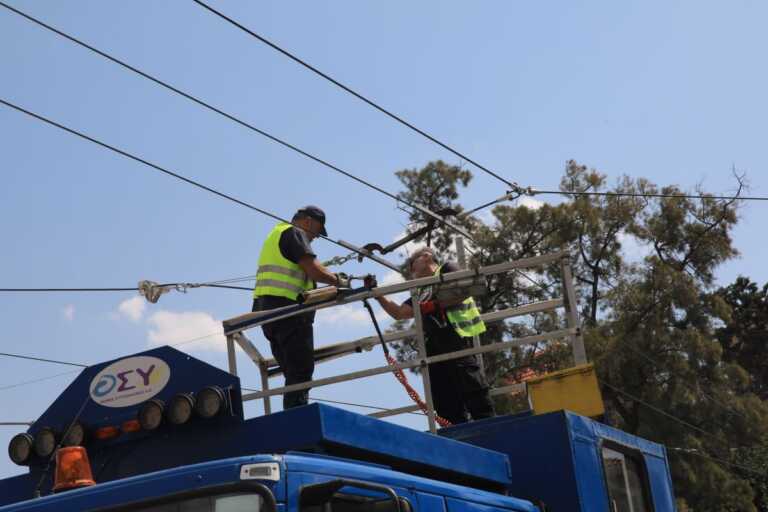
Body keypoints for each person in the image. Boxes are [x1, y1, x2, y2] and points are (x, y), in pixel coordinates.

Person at [374, 246, 495, 425]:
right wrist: (377, 294)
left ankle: (487, 422)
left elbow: (466, 289)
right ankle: (455, 427)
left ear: (426, 256)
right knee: (441, 391)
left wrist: (435, 305)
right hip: (435, 342)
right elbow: (399, 312)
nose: (410, 269)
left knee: (469, 381)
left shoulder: (447, 269)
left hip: (456, 334)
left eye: (412, 263)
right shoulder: (420, 290)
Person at [252, 206, 350, 409]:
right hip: (289, 313)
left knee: (292, 372)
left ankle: (292, 416)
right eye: (317, 231)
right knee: (301, 370)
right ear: (307, 222)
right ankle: (297, 416)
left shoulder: (276, 233)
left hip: (267, 315)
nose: (315, 238)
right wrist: (339, 281)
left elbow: (310, 267)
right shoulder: (294, 233)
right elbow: (314, 271)